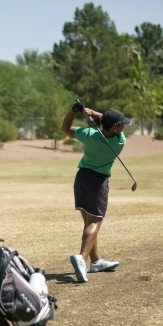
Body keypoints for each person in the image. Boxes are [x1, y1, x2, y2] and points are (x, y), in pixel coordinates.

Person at [61, 102, 128, 283]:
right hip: (98, 182)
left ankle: (96, 261)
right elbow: (109, 125)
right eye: (121, 124)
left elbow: (65, 128)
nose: (124, 126)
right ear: (115, 127)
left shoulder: (88, 134)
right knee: (96, 222)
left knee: (88, 222)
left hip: (81, 178)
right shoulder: (119, 141)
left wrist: (74, 110)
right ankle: (82, 258)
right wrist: (94, 113)